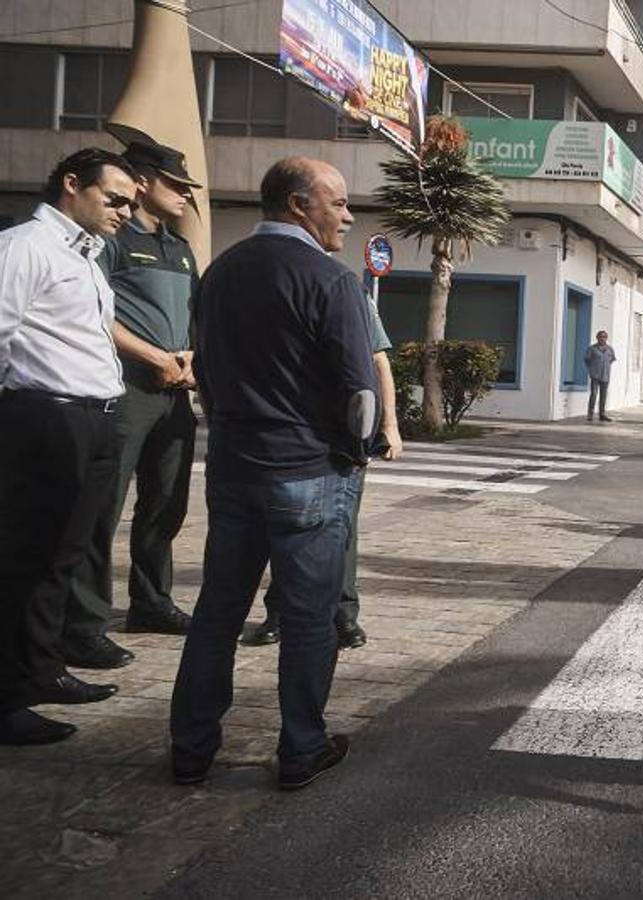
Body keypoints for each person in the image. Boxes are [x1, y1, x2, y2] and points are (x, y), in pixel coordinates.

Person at [170, 157, 379, 790]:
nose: (347, 215)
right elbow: (359, 395)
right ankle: (301, 749)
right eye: (337, 203)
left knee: (218, 610)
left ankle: (190, 749)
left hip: (233, 467)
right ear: (296, 204)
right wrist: (354, 451)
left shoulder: (218, 274)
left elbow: (202, 367)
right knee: (310, 615)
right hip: (307, 470)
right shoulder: (332, 280)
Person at [0, 148, 138, 745]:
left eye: (131, 203)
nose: (125, 213)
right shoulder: (25, 246)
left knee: (64, 557)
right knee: (21, 562)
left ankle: (41, 670)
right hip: (45, 419)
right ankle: (6, 700)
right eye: (115, 199)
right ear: (71, 184)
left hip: (96, 419)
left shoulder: (86, 256)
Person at [65, 140, 202, 653]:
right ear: (143, 182)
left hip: (175, 392)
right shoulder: (113, 243)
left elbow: (192, 315)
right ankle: (84, 624)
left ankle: (151, 602)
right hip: (126, 390)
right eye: (177, 185)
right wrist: (154, 357)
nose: (186, 196)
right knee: (104, 506)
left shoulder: (181, 248)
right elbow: (98, 314)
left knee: (167, 504)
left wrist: (189, 357)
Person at [242, 291, 403, 650]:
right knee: (291, 523)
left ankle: (344, 616)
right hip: (295, 430)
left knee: (343, 528)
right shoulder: (284, 293)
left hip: (345, 431)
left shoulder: (352, 294)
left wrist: (389, 424)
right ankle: (279, 614)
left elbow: (379, 361)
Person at [585, 330, 616, 422]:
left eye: (604, 337)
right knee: (594, 395)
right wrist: (592, 370)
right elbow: (587, 360)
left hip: (605, 376)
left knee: (603, 396)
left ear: (606, 338)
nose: (602, 338)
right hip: (595, 375)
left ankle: (602, 414)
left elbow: (612, 359)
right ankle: (590, 414)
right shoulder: (592, 348)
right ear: (597, 338)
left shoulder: (610, 349)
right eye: (600, 336)